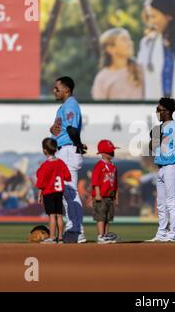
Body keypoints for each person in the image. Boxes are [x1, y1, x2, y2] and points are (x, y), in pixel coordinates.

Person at [49, 76, 87, 243]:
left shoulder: (71, 104)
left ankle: (77, 230)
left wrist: (78, 144)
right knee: (66, 193)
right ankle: (73, 229)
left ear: (67, 90)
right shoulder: (63, 107)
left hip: (69, 151)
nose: (54, 91)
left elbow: (71, 128)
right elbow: (63, 128)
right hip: (62, 151)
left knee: (70, 192)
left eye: (57, 88)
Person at [146, 97, 175, 242]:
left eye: (159, 110)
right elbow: (151, 148)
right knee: (161, 202)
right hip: (161, 168)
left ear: (167, 111)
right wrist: (155, 137)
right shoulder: (159, 128)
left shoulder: (174, 127)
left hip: (172, 166)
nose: (157, 112)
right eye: (157, 110)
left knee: (171, 201)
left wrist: (163, 139)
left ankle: (172, 233)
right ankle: (161, 233)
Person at [35, 138, 71, 244]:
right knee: (59, 215)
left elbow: (41, 182)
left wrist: (39, 195)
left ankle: (52, 237)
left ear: (44, 150)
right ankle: (60, 237)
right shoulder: (61, 163)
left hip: (49, 192)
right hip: (59, 192)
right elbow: (68, 176)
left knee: (52, 216)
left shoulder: (45, 165)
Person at [91, 28, 144, 100]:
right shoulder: (102, 78)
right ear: (110, 49)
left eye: (129, 39)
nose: (130, 43)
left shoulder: (141, 69)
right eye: (124, 40)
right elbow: (100, 109)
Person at [91, 139, 119, 244]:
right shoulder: (99, 166)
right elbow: (95, 181)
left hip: (109, 196)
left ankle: (106, 235)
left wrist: (116, 195)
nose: (112, 153)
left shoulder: (113, 167)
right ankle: (100, 236)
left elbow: (115, 182)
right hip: (101, 196)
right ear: (102, 153)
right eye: (110, 151)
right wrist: (97, 193)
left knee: (108, 217)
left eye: (113, 151)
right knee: (101, 217)